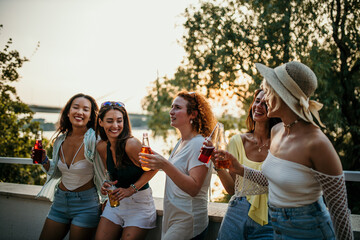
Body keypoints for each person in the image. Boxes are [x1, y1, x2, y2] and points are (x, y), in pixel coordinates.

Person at [215, 61, 353, 240]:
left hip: (309, 230)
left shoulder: (317, 143)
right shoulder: (277, 131)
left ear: (283, 96)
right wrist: (238, 168)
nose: (264, 99)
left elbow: (340, 212)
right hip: (278, 230)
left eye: (269, 92)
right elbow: (271, 180)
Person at [139, 91, 217, 240]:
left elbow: (194, 188)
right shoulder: (181, 143)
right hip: (174, 218)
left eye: (177, 107)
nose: (171, 111)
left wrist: (164, 164)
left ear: (192, 114)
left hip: (188, 221)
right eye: (172, 107)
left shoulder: (199, 144)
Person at [34, 93, 106, 240]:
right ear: (68, 112)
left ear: (91, 116)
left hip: (86, 205)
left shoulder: (95, 140)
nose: (80, 112)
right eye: (76, 107)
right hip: (59, 202)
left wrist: (106, 199)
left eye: (85, 109)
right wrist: (44, 161)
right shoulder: (60, 140)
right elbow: (56, 173)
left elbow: (106, 172)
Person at [214, 89, 281, 239]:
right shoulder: (237, 141)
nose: (258, 106)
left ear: (275, 110)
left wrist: (240, 168)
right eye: (257, 101)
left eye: (265, 104)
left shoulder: (280, 144)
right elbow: (232, 189)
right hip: (237, 210)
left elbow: (276, 182)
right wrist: (217, 166)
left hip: (271, 215)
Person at [94, 101, 157, 240]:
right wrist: (106, 186)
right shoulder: (101, 147)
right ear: (100, 122)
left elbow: (155, 167)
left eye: (119, 121)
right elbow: (111, 175)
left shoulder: (131, 144)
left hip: (140, 206)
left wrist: (131, 189)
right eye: (109, 121)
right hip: (116, 204)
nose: (115, 126)